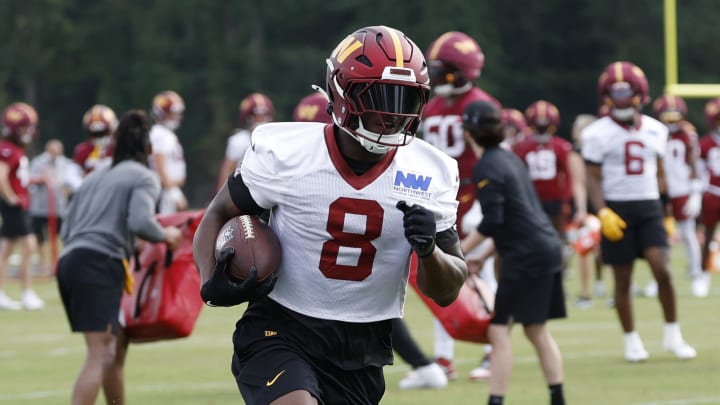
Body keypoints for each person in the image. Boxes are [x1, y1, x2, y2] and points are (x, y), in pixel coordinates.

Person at [193, 25, 467, 405]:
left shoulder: (431, 171)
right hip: (281, 326)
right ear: (343, 95)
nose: (393, 115)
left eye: (405, 99)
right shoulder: (287, 153)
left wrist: (429, 251)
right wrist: (211, 280)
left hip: (363, 345)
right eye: (381, 97)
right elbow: (219, 213)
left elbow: (449, 289)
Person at [56, 109, 182, 405]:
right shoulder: (144, 177)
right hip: (99, 264)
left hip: (71, 262)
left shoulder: (94, 177)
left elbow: (68, 229)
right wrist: (167, 236)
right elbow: (141, 222)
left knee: (110, 349)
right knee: (100, 355)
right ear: (148, 148)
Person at [581, 61, 696, 362]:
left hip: (648, 206)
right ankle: (631, 340)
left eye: (625, 90)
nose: (620, 96)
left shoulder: (657, 130)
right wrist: (602, 211)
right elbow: (592, 177)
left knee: (663, 270)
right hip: (617, 208)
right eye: (614, 91)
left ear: (638, 93)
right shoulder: (597, 132)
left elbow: (660, 173)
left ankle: (673, 334)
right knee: (622, 279)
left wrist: (667, 211)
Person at [459, 100, 566, 405]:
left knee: (498, 329)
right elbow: (517, 216)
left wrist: (459, 253)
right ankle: (558, 399)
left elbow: (493, 220)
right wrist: (483, 255)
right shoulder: (510, 158)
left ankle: (496, 400)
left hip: (526, 254)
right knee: (535, 330)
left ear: (468, 133)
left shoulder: (486, 165)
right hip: (546, 247)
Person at [419, 30, 502, 382]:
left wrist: (487, 199)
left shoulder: (480, 105)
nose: (439, 77)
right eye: (435, 70)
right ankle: (444, 356)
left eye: (446, 70)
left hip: (474, 194)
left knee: (483, 274)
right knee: (441, 275)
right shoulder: (434, 105)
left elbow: (494, 157)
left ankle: (492, 349)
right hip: (443, 198)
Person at [642, 95, 703, 298]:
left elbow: (694, 164)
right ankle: (658, 278)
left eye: (674, 118)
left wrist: (695, 193)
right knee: (659, 238)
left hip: (682, 190)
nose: (671, 123)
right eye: (667, 118)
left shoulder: (687, 135)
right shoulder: (653, 133)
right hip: (659, 191)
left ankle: (696, 275)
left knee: (688, 235)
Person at [0, 102, 44, 311]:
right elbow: (1, 177)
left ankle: (5, 293)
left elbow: (17, 176)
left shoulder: (14, 149)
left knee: (6, 249)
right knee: (29, 244)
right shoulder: (7, 149)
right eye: (25, 128)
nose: (29, 132)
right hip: (14, 205)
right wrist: (11, 198)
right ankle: (26, 292)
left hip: (16, 203)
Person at [569, 113, 608, 305]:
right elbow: (579, 183)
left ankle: (605, 286)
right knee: (584, 248)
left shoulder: (604, 149)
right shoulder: (577, 153)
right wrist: (581, 209)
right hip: (592, 204)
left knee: (608, 249)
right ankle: (586, 293)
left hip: (604, 201)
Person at [28, 139, 77, 275]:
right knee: (40, 238)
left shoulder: (65, 163)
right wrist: (41, 178)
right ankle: (43, 265)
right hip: (39, 207)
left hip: (58, 207)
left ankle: (58, 263)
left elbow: (72, 182)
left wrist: (67, 190)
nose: (56, 153)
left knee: (60, 236)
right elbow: (29, 179)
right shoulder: (38, 162)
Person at [216, 92, 274, 189]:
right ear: (248, 117)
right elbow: (228, 170)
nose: (261, 119)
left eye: (264, 115)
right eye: (257, 115)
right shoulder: (239, 141)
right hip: (244, 189)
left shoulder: (274, 139)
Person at [149, 90, 187, 214]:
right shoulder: (160, 134)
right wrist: (173, 192)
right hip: (164, 191)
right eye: (172, 113)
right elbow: (159, 166)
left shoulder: (165, 134)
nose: (176, 117)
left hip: (167, 189)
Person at [696, 97, 720, 297]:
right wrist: (699, 192)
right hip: (713, 192)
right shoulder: (705, 143)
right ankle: (703, 273)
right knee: (708, 234)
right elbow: (699, 170)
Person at [73, 104, 118, 175]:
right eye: (95, 134)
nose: (99, 137)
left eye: (103, 133)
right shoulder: (82, 151)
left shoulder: (118, 148)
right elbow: (75, 176)